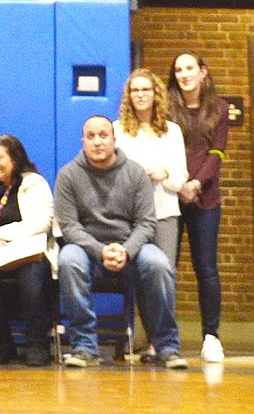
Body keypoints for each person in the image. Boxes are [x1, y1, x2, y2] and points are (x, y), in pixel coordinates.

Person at [54, 114, 187, 370]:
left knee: (159, 263)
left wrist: (126, 250)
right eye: (91, 137)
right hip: (87, 250)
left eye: (103, 135)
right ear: (82, 141)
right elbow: (70, 227)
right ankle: (84, 347)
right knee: (68, 260)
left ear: (114, 139)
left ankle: (166, 347)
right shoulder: (68, 175)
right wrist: (100, 250)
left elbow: (147, 223)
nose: (97, 142)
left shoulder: (135, 173)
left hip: (131, 248)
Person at [114, 68, 188, 361]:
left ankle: (163, 341)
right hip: (129, 217)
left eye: (146, 90)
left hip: (164, 211)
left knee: (163, 274)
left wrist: (163, 173)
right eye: (135, 90)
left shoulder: (172, 131)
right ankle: (150, 339)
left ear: (155, 94)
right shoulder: (117, 129)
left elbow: (181, 177)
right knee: (141, 276)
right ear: (128, 97)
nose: (140, 95)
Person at [0, 133, 57, 366]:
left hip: (29, 253)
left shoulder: (34, 183)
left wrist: (4, 234)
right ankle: (1, 342)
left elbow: (43, 222)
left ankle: (37, 342)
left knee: (32, 273)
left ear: (14, 158)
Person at [167, 51, 229, 364]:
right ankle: (164, 339)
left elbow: (216, 153)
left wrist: (195, 184)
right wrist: (178, 186)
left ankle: (211, 337)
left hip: (205, 199)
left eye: (190, 68)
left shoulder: (219, 108)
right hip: (169, 198)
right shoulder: (166, 106)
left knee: (206, 268)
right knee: (165, 268)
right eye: (179, 69)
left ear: (203, 72)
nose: (185, 74)